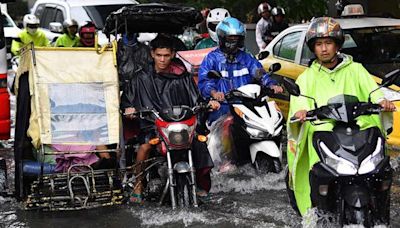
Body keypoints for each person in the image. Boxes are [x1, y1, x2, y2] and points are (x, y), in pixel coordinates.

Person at [286, 17, 396, 216]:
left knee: (382, 169)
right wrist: (301, 112)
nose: (324, 49)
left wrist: (382, 101)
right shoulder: (307, 77)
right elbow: (300, 100)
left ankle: (380, 211)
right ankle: (316, 212)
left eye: (328, 43)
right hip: (325, 134)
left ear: (337, 45)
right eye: (319, 44)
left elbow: (373, 91)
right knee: (317, 172)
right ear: (313, 48)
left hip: (359, 131)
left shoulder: (356, 70)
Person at [121, 35, 220, 204]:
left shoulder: (182, 76)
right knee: (144, 147)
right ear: (152, 54)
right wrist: (130, 108)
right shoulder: (141, 78)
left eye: (166, 55)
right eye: (159, 55)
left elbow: (196, 99)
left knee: (199, 142)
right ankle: (138, 186)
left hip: (179, 124)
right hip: (153, 125)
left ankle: (199, 184)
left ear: (173, 54)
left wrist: (208, 104)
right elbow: (127, 101)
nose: (162, 59)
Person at [198, 17, 283, 166]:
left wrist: (271, 84)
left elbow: (259, 73)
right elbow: (205, 82)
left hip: (247, 106)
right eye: (230, 38)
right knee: (228, 125)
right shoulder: (211, 59)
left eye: (236, 39)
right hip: (223, 107)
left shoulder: (247, 58)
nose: (233, 42)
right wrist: (213, 93)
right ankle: (225, 163)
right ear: (222, 39)